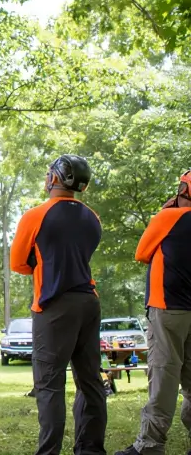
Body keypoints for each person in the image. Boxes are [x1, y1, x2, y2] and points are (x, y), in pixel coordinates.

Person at [11, 154, 106, 455]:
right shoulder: (93, 217)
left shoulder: (35, 216)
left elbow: (18, 263)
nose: (46, 176)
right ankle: (90, 450)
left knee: (50, 384)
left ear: (57, 178)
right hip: (88, 303)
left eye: (50, 172)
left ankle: (49, 452)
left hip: (54, 305)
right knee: (90, 381)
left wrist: (42, 264)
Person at [115, 170, 191, 455]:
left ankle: (149, 445)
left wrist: (166, 213)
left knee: (163, 376)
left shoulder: (167, 218)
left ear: (184, 189)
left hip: (167, 307)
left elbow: (142, 252)